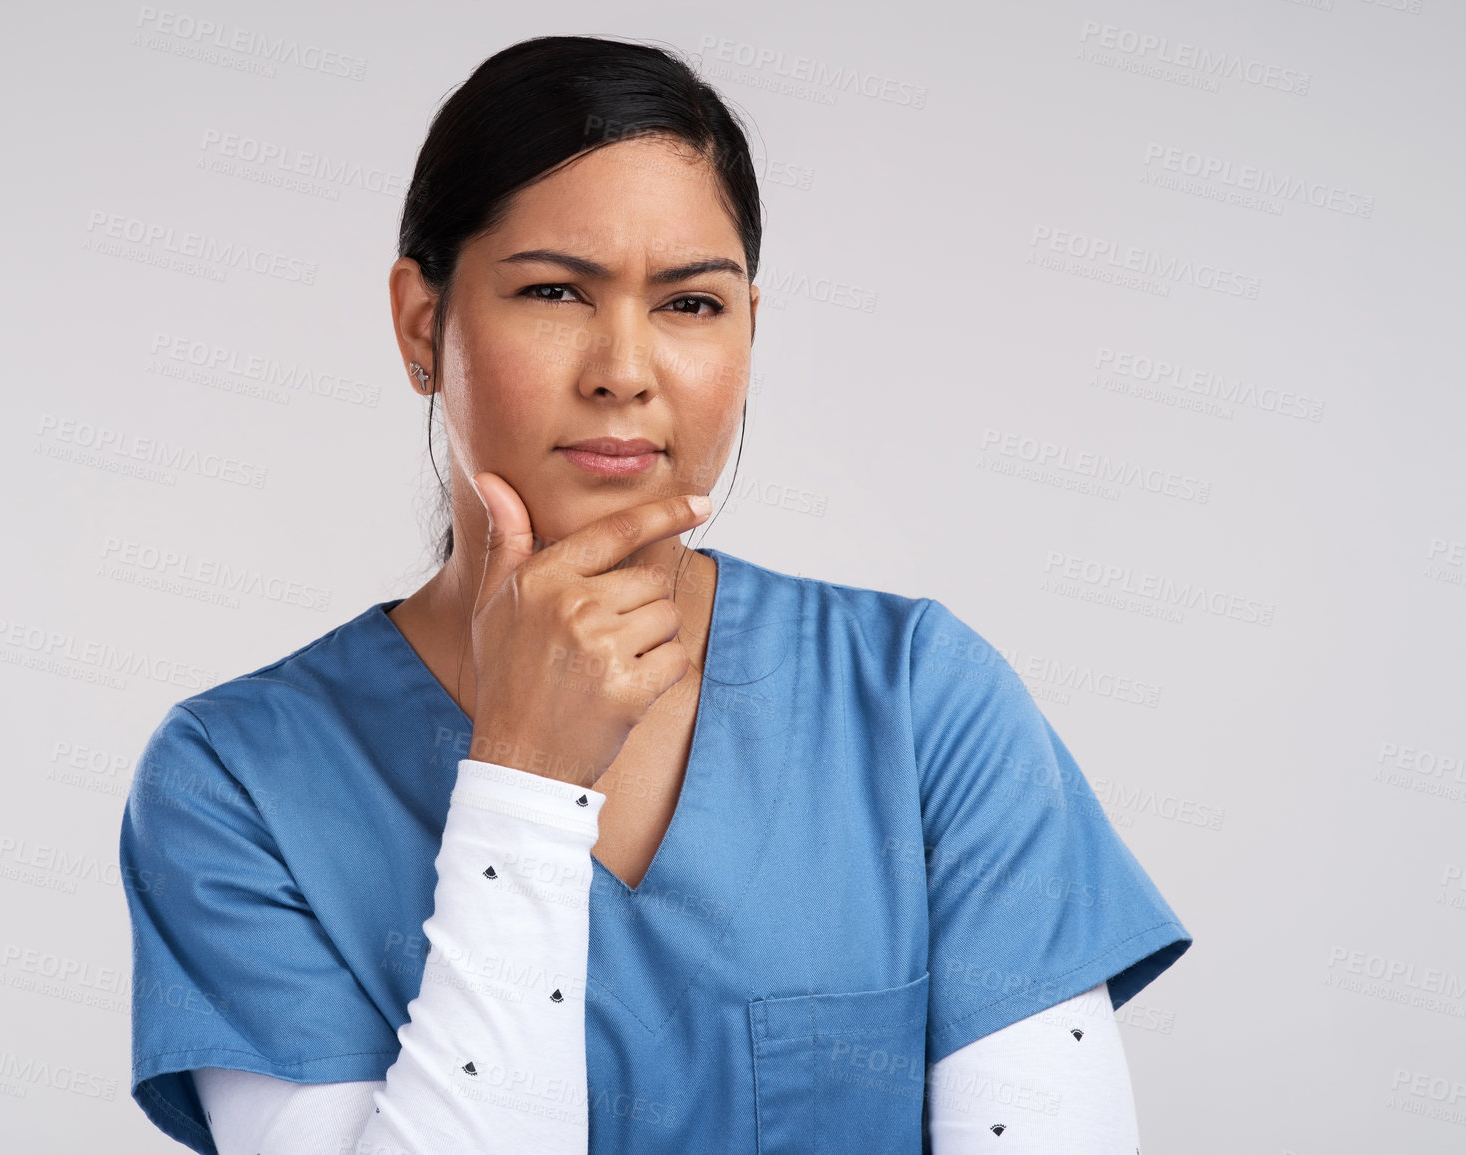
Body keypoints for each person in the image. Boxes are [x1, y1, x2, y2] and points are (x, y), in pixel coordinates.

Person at [120, 34, 1192, 1155]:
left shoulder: (921, 703)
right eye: (553, 291)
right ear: (423, 324)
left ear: (747, 333)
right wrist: (523, 788)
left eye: (689, 307)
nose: (624, 369)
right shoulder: (236, 779)